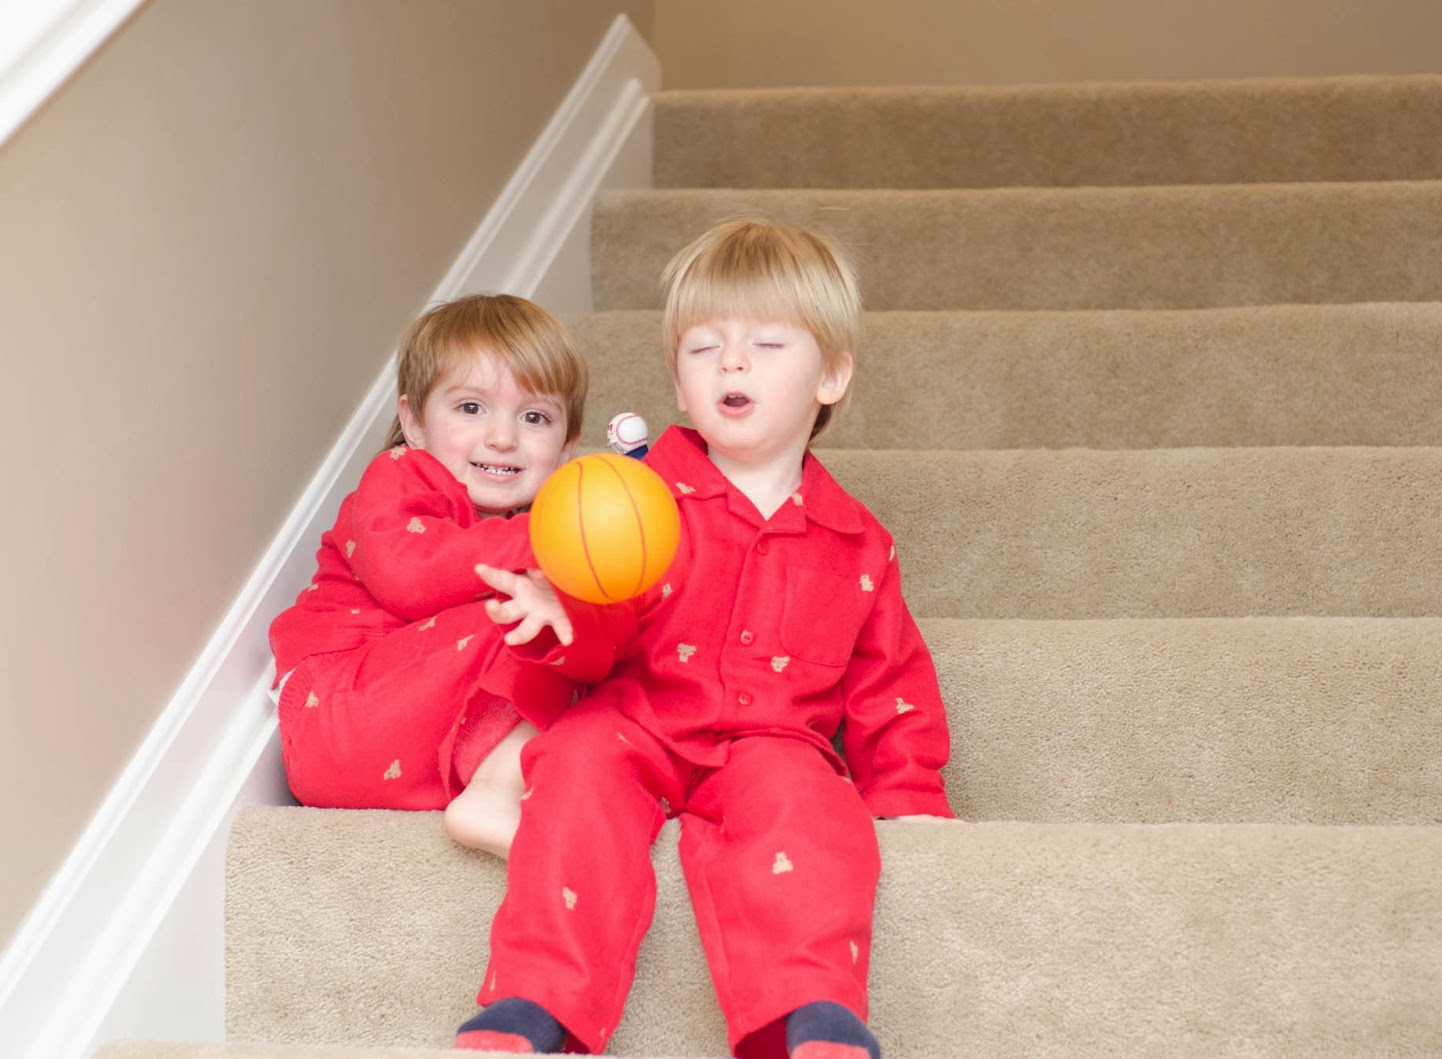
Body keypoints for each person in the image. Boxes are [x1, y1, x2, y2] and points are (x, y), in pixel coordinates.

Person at [456, 220, 955, 1059]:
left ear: (831, 376)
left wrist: (908, 795)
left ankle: (806, 1015)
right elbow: (600, 630)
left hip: (773, 739)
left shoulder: (859, 543)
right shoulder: (637, 495)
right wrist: (560, 616)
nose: (732, 363)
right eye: (704, 347)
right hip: (639, 718)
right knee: (575, 764)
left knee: (811, 808)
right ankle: (535, 1006)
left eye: (767, 343)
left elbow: (892, 685)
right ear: (681, 389)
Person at [267, 293, 588, 858]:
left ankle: (505, 784)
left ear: (566, 449)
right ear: (413, 422)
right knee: (532, 618)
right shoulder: (401, 475)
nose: (503, 437)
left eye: (534, 417)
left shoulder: (527, 528)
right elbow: (410, 579)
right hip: (337, 710)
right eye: (471, 408)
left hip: (426, 740)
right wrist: (553, 540)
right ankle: (496, 793)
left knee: (584, 635)